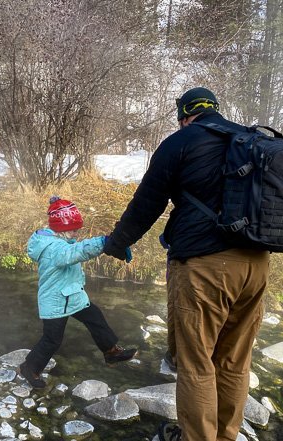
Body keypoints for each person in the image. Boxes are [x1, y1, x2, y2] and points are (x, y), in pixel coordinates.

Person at [103, 88, 270, 441]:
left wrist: (118, 243)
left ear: (184, 115)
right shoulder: (250, 140)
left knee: (196, 363)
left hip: (205, 265)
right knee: (235, 361)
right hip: (256, 265)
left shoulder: (182, 141)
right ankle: (226, 435)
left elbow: (147, 202)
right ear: (215, 110)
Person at [18, 196, 137, 389]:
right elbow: (78, 252)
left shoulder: (59, 240)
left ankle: (111, 352)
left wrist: (113, 242)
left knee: (95, 317)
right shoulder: (55, 248)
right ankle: (29, 368)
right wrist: (104, 242)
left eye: (77, 228)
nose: (77, 232)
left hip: (72, 295)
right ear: (60, 229)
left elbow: (76, 249)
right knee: (52, 340)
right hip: (56, 300)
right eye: (73, 229)